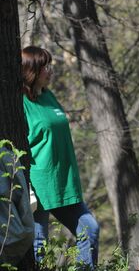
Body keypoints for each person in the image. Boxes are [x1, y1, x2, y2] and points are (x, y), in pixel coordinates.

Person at [22, 46, 100, 268]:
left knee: (89, 229)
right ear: (31, 70)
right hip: (37, 186)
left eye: (50, 65)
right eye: (45, 66)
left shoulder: (48, 95)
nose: (50, 70)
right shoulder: (21, 102)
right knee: (39, 248)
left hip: (63, 184)